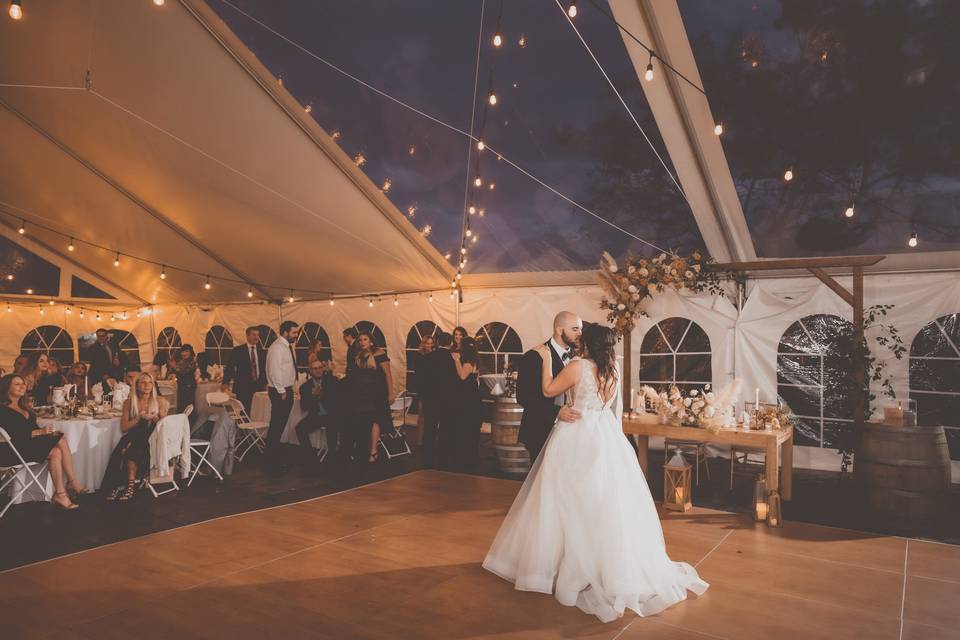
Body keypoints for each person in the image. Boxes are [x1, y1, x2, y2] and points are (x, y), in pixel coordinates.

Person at [483, 322, 708, 622]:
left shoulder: (578, 366)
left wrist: (547, 358)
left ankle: (564, 564)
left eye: (582, 338)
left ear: (588, 344)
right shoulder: (612, 368)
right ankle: (600, 562)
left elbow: (548, 389)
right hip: (604, 435)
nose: (578, 341)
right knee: (603, 501)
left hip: (576, 433)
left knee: (562, 498)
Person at [0, 374, 85, 509]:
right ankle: (70, 484)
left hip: (26, 447)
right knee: (57, 444)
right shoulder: (2, 409)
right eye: (17, 384)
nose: (22, 386)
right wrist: (39, 433)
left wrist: (45, 433)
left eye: (23, 383)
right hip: (10, 452)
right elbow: (11, 436)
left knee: (57, 446)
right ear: (6, 387)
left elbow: (32, 430)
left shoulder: (24, 407)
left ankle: (62, 492)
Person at [516, 311, 583, 462]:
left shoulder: (579, 358)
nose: (580, 333)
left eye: (580, 329)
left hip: (571, 430)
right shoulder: (534, 356)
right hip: (541, 430)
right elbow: (523, 396)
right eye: (575, 329)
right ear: (559, 330)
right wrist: (557, 412)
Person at [102, 372, 169, 502]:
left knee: (129, 450)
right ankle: (121, 485)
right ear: (136, 385)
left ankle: (129, 486)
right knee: (122, 451)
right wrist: (139, 417)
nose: (147, 385)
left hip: (152, 437)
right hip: (134, 435)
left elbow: (164, 426)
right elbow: (124, 427)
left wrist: (154, 417)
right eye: (143, 382)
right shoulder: (129, 402)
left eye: (150, 382)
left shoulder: (159, 401)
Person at [347, 332, 392, 464]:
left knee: (375, 420)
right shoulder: (358, 355)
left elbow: (388, 375)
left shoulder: (379, 353)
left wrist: (390, 393)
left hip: (378, 392)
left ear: (371, 341)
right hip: (363, 394)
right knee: (364, 421)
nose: (362, 342)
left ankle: (373, 451)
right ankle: (363, 449)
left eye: (365, 339)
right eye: (360, 340)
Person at [418, 332, 457, 468]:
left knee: (430, 429)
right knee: (445, 429)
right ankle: (443, 459)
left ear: (438, 343)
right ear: (450, 343)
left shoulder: (427, 358)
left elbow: (421, 380)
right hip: (447, 400)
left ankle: (427, 458)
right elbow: (455, 381)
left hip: (431, 399)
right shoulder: (452, 359)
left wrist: (424, 396)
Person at [266, 320, 300, 474]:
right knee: (276, 427)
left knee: (278, 426)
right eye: (294, 332)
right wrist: (281, 391)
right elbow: (274, 371)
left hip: (286, 389)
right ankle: (272, 462)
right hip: (280, 391)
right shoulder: (277, 348)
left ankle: (274, 459)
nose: (296, 335)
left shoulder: (286, 347)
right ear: (285, 332)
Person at [451, 336, 483, 469]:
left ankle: (465, 456)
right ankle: (472, 454)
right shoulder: (476, 360)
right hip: (474, 395)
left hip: (467, 397)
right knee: (472, 425)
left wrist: (456, 360)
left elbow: (463, 376)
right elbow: (477, 380)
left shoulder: (467, 361)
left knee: (465, 424)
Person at [296, 359, 336, 461]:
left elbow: (337, 400)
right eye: (315, 369)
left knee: (332, 424)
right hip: (316, 416)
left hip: (332, 414)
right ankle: (310, 457)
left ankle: (333, 457)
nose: (318, 370)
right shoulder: (305, 387)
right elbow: (303, 407)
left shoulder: (332, 381)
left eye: (320, 368)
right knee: (299, 428)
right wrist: (313, 396)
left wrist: (323, 395)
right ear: (310, 371)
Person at [222, 326, 267, 413]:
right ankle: (243, 427)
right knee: (244, 412)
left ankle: (254, 426)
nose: (256, 337)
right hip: (243, 387)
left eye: (258, 335)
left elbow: (264, 369)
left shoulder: (262, 351)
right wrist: (225, 382)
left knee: (257, 411)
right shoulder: (238, 350)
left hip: (259, 386)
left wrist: (266, 383)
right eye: (254, 335)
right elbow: (230, 367)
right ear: (247, 336)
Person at [411, 334, 436, 445]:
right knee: (422, 415)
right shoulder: (419, 355)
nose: (429, 345)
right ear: (423, 344)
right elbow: (418, 373)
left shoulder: (435, 355)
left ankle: (429, 439)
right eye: (427, 343)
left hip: (433, 388)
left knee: (432, 416)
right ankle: (419, 440)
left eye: (431, 343)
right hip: (423, 388)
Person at [171, 345, 198, 412]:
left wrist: (174, 366)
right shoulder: (181, 361)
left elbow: (184, 371)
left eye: (186, 351)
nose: (184, 353)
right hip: (181, 384)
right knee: (181, 404)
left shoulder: (192, 361)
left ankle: (189, 420)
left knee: (188, 404)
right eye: (182, 351)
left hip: (189, 385)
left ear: (190, 352)